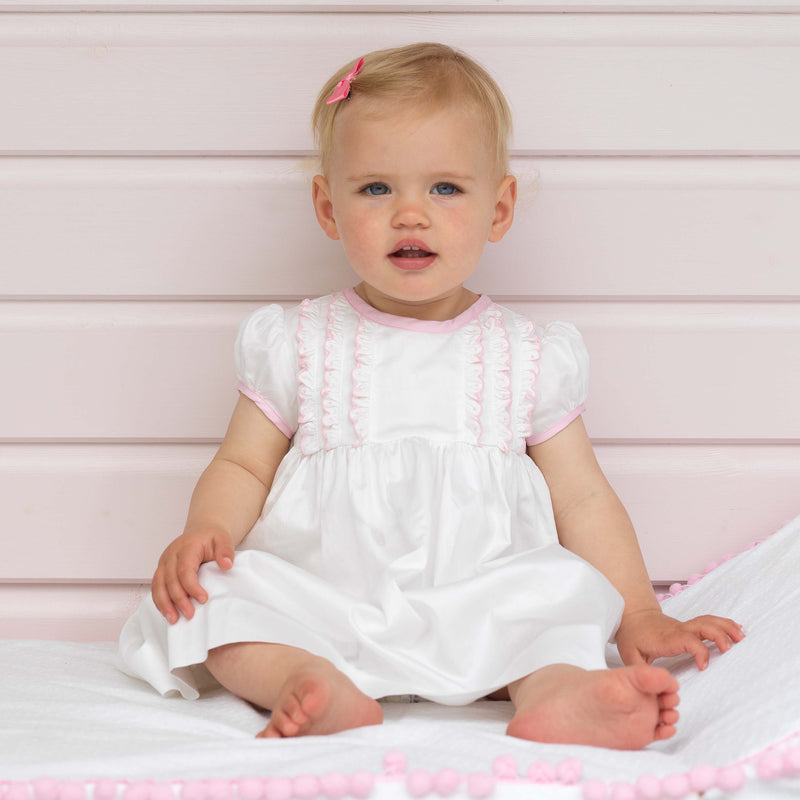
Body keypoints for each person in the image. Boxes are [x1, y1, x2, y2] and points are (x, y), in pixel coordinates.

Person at [118, 42, 744, 750]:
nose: (410, 214)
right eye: (376, 189)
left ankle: (558, 693)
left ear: (498, 208)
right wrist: (210, 533)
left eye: (444, 188)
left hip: (480, 597)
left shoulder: (526, 354)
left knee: (558, 596)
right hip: (328, 598)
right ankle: (305, 679)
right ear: (328, 206)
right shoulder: (298, 341)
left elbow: (583, 499)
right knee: (217, 602)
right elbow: (243, 465)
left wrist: (636, 612)